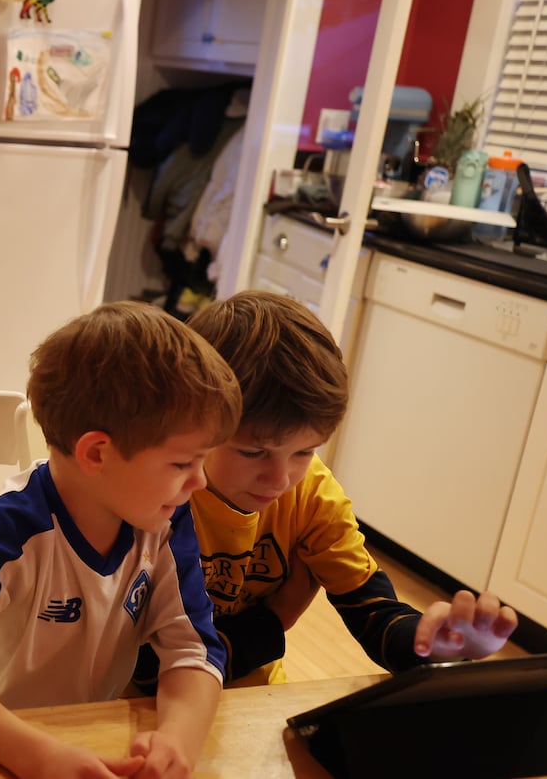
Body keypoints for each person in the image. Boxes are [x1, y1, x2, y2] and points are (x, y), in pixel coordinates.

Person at [0, 301, 242, 779]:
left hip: (68, 741)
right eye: (182, 464)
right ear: (97, 452)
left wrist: (178, 738)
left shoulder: (165, 524)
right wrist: (36, 755)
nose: (200, 482)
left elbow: (194, 653)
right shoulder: (7, 528)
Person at [132, 291, 519, 691]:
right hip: (128, 711)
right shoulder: (153, 494)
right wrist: (274, 621)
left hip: (251, 700)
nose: (281, 479)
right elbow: (146, 669)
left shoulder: (314, 495)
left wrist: (438, 648)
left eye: (304, 451)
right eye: (254, 452)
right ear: (193, 422)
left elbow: (375, 614)